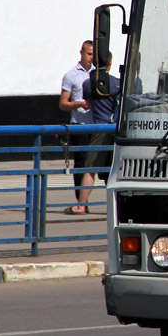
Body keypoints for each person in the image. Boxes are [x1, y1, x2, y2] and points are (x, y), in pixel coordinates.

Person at [69, 52, 120, 214]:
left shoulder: (87, 84)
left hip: (98, 128)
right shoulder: (117, 84)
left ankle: (81, 204)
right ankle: (118, 207)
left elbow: (89, 104)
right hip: (115, 129)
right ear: (110, 63)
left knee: (90, 169)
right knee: (116, 170)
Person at [59, 40, 94, 210]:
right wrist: (79, 104)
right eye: (88, 54)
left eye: (93, 55)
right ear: (81, 52)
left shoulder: (97, 74)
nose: (91, 58)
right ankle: (81, 202)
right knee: (80, 163)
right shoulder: (71, 75)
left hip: (96, 125)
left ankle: (89, 200)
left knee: (96, 163)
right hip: (79, 124)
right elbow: (63, 103)